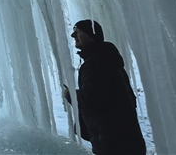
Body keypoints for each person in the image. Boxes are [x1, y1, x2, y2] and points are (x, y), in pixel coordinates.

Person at [62, 19, 146, 155]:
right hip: (124, 139)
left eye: (78, 32)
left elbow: (91, 100)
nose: (73, 36)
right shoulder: (108, 59)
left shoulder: (95, 64)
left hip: (113, 143)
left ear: (92, 35)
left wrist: (68, 94)